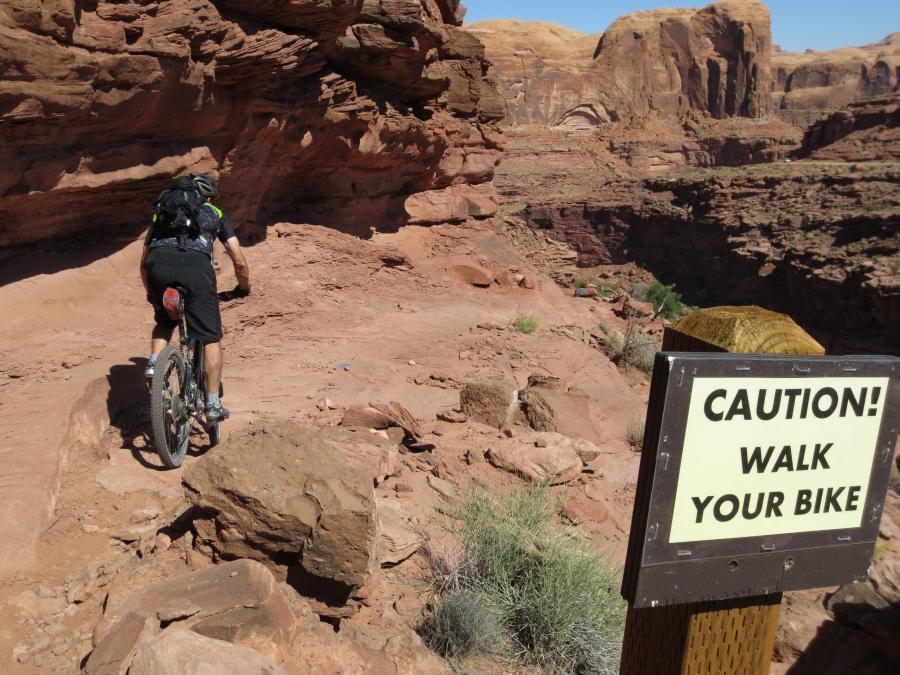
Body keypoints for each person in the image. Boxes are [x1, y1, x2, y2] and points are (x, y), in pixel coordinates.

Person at [140, 173, 251, 423]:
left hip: (158, 265)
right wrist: (243, 287)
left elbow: (144, 260)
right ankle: (212, 403)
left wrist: (152, 293)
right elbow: (238, 259)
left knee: (164, 321)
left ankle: (154, 364)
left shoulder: (163, 211)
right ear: (209, 196)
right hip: (196, 269)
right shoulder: (215, 214)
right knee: (210, 337)